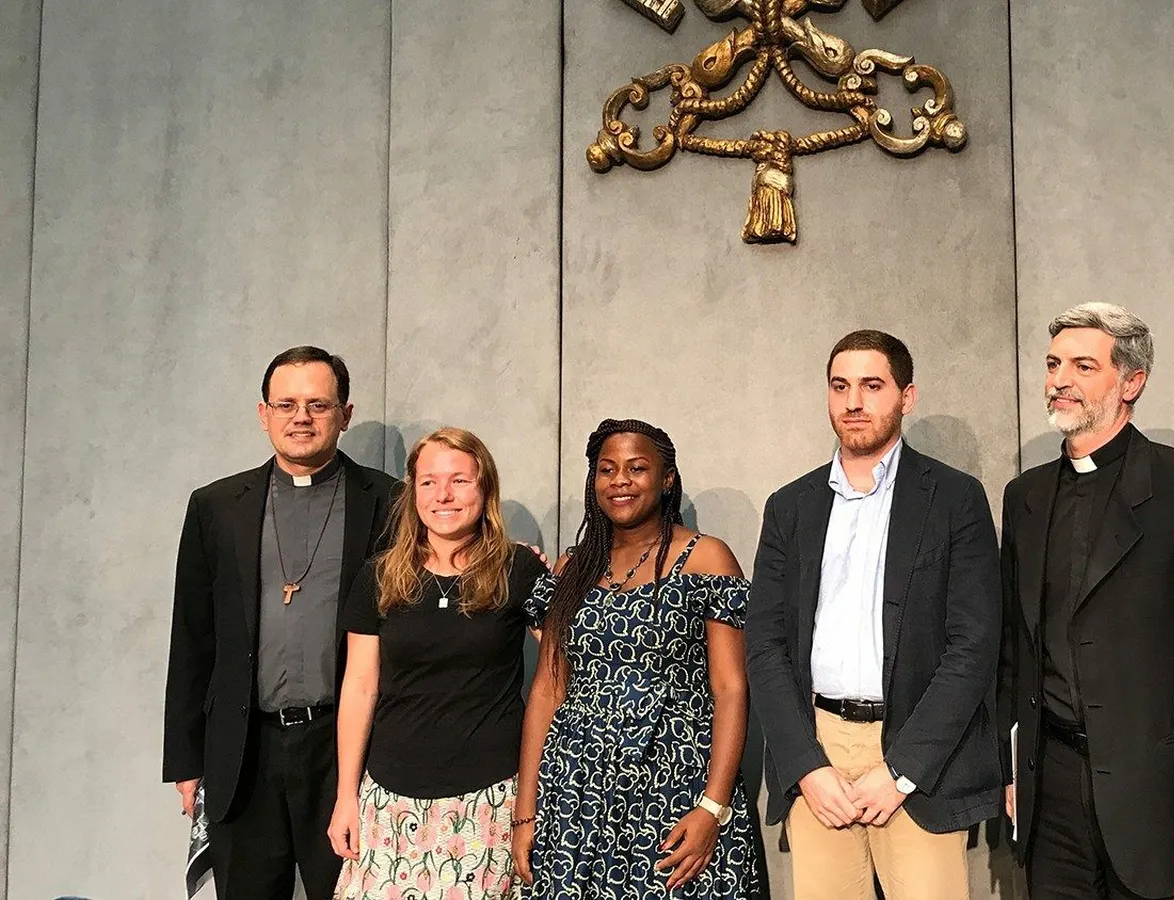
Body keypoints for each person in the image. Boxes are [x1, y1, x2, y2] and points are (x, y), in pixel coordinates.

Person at [998, 303, 1174, 899]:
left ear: (1131, 382)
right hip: (1054, 802)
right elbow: (1016, 652)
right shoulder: (1025, 497)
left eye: (1083, 366)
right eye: (1053, 364)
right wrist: (1013, 771)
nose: (1060, 379)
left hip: (1165, 802)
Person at [745, 329, 1004, 900]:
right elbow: (764, 645)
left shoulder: (955, 498)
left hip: (917, 754)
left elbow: (974, 645)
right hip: (818, 750)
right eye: (840, 386)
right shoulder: (790, 506)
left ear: (906, 397)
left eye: (871, 385)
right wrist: (805, 765)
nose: (853, 402)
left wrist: (902, 769)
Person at [163, 346, 398, 900]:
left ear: (345, 414)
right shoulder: (217, 505)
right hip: (245, 749)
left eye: (318, 404)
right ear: (263, 413)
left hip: (346, 749)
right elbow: (192, 636)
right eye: (286, 404)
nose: (301, 418)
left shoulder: (391, 502)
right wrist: (186, 759)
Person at [513, 419, 762, 899]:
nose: (620, 480)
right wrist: (526, 813)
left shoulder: (706, 557)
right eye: (607, 469)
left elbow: (731, 688)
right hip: (576, 793)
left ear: (667, 479)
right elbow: (546, 691)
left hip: (678, 786)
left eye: (637, 468)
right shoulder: (572, 567)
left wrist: (713, 808)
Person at [328, 427, 547, 898]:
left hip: (489, 800)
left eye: (459, 480)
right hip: (389, 800)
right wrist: (346, 796)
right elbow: (360, 687)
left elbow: (565, 667)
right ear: (413, 492)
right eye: (428, 482)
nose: (443, 495)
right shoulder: (379, 575)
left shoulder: (518, 569)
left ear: (484, 488)